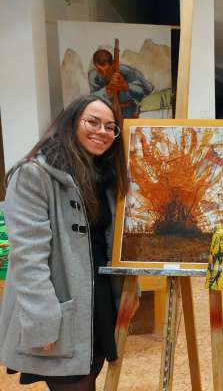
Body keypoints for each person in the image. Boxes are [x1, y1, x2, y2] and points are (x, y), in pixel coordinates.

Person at [0, 95, 134, 391]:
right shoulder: (33, 173)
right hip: (60, 301)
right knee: (73, 383)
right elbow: (28, 255)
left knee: (91, 372)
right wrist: (41, 318)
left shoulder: (107, 176)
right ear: (70, 123)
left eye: (111, 127)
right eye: (93, 122)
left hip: (97, 297)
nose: (103, 132)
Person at [88, 49, 154, 119]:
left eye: (107, 70)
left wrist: (126, 86)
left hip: (129, 114)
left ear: (113, 64)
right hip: (107, 115)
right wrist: (108, 90)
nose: (104, 74)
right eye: (100, 70)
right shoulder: (93, 76)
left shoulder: (126, 71)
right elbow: (93, 99)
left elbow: (143, 92)